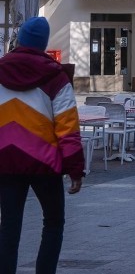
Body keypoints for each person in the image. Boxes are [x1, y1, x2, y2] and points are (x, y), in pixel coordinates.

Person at [0, 17, 84, 274]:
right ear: (43, 44)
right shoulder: (55, 77)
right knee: (53, 222)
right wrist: (75, 169)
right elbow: (67, 128)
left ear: (20, 40)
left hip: (6, 161)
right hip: (44, 164)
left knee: (9, 227)